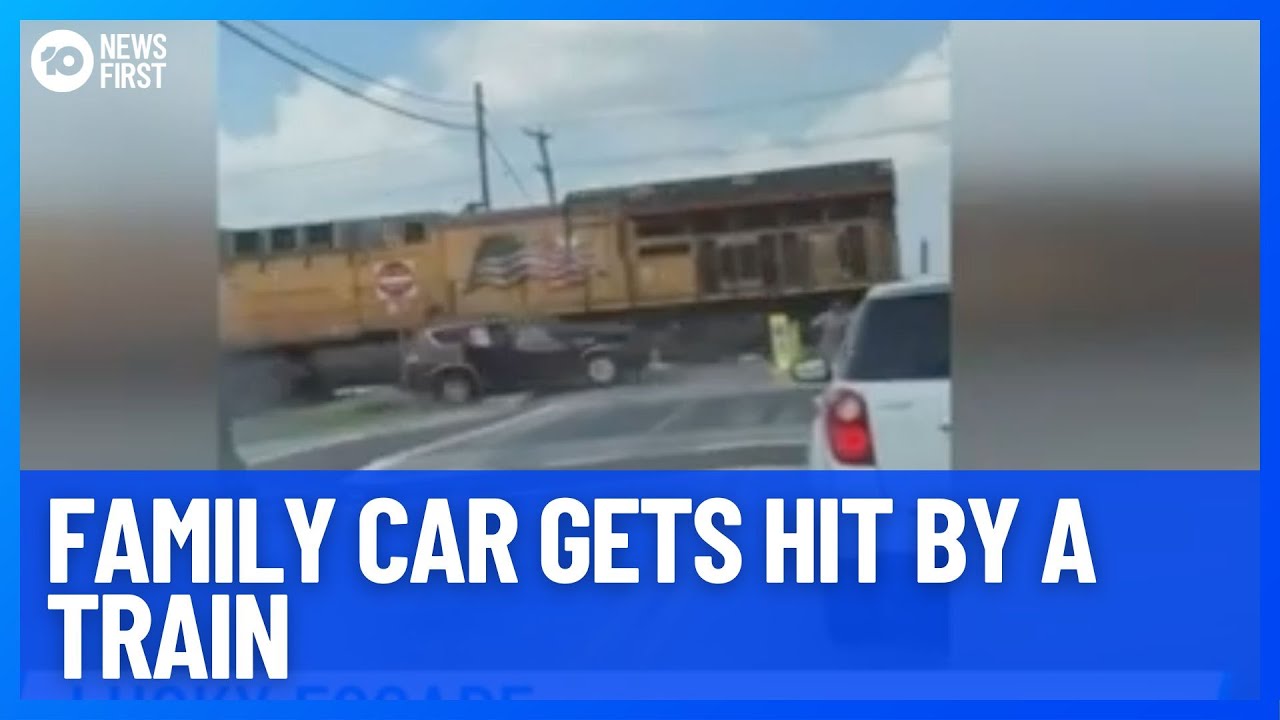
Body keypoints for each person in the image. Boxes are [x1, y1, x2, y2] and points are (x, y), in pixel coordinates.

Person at [811, 298, 852, 365]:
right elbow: (813, 328)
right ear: (831, 307)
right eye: (836, 305)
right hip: (827, 348)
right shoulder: (824, 317)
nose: (839, 307)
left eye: (841, 305)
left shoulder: (849, 315)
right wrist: (816, 342)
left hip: (845, 348)